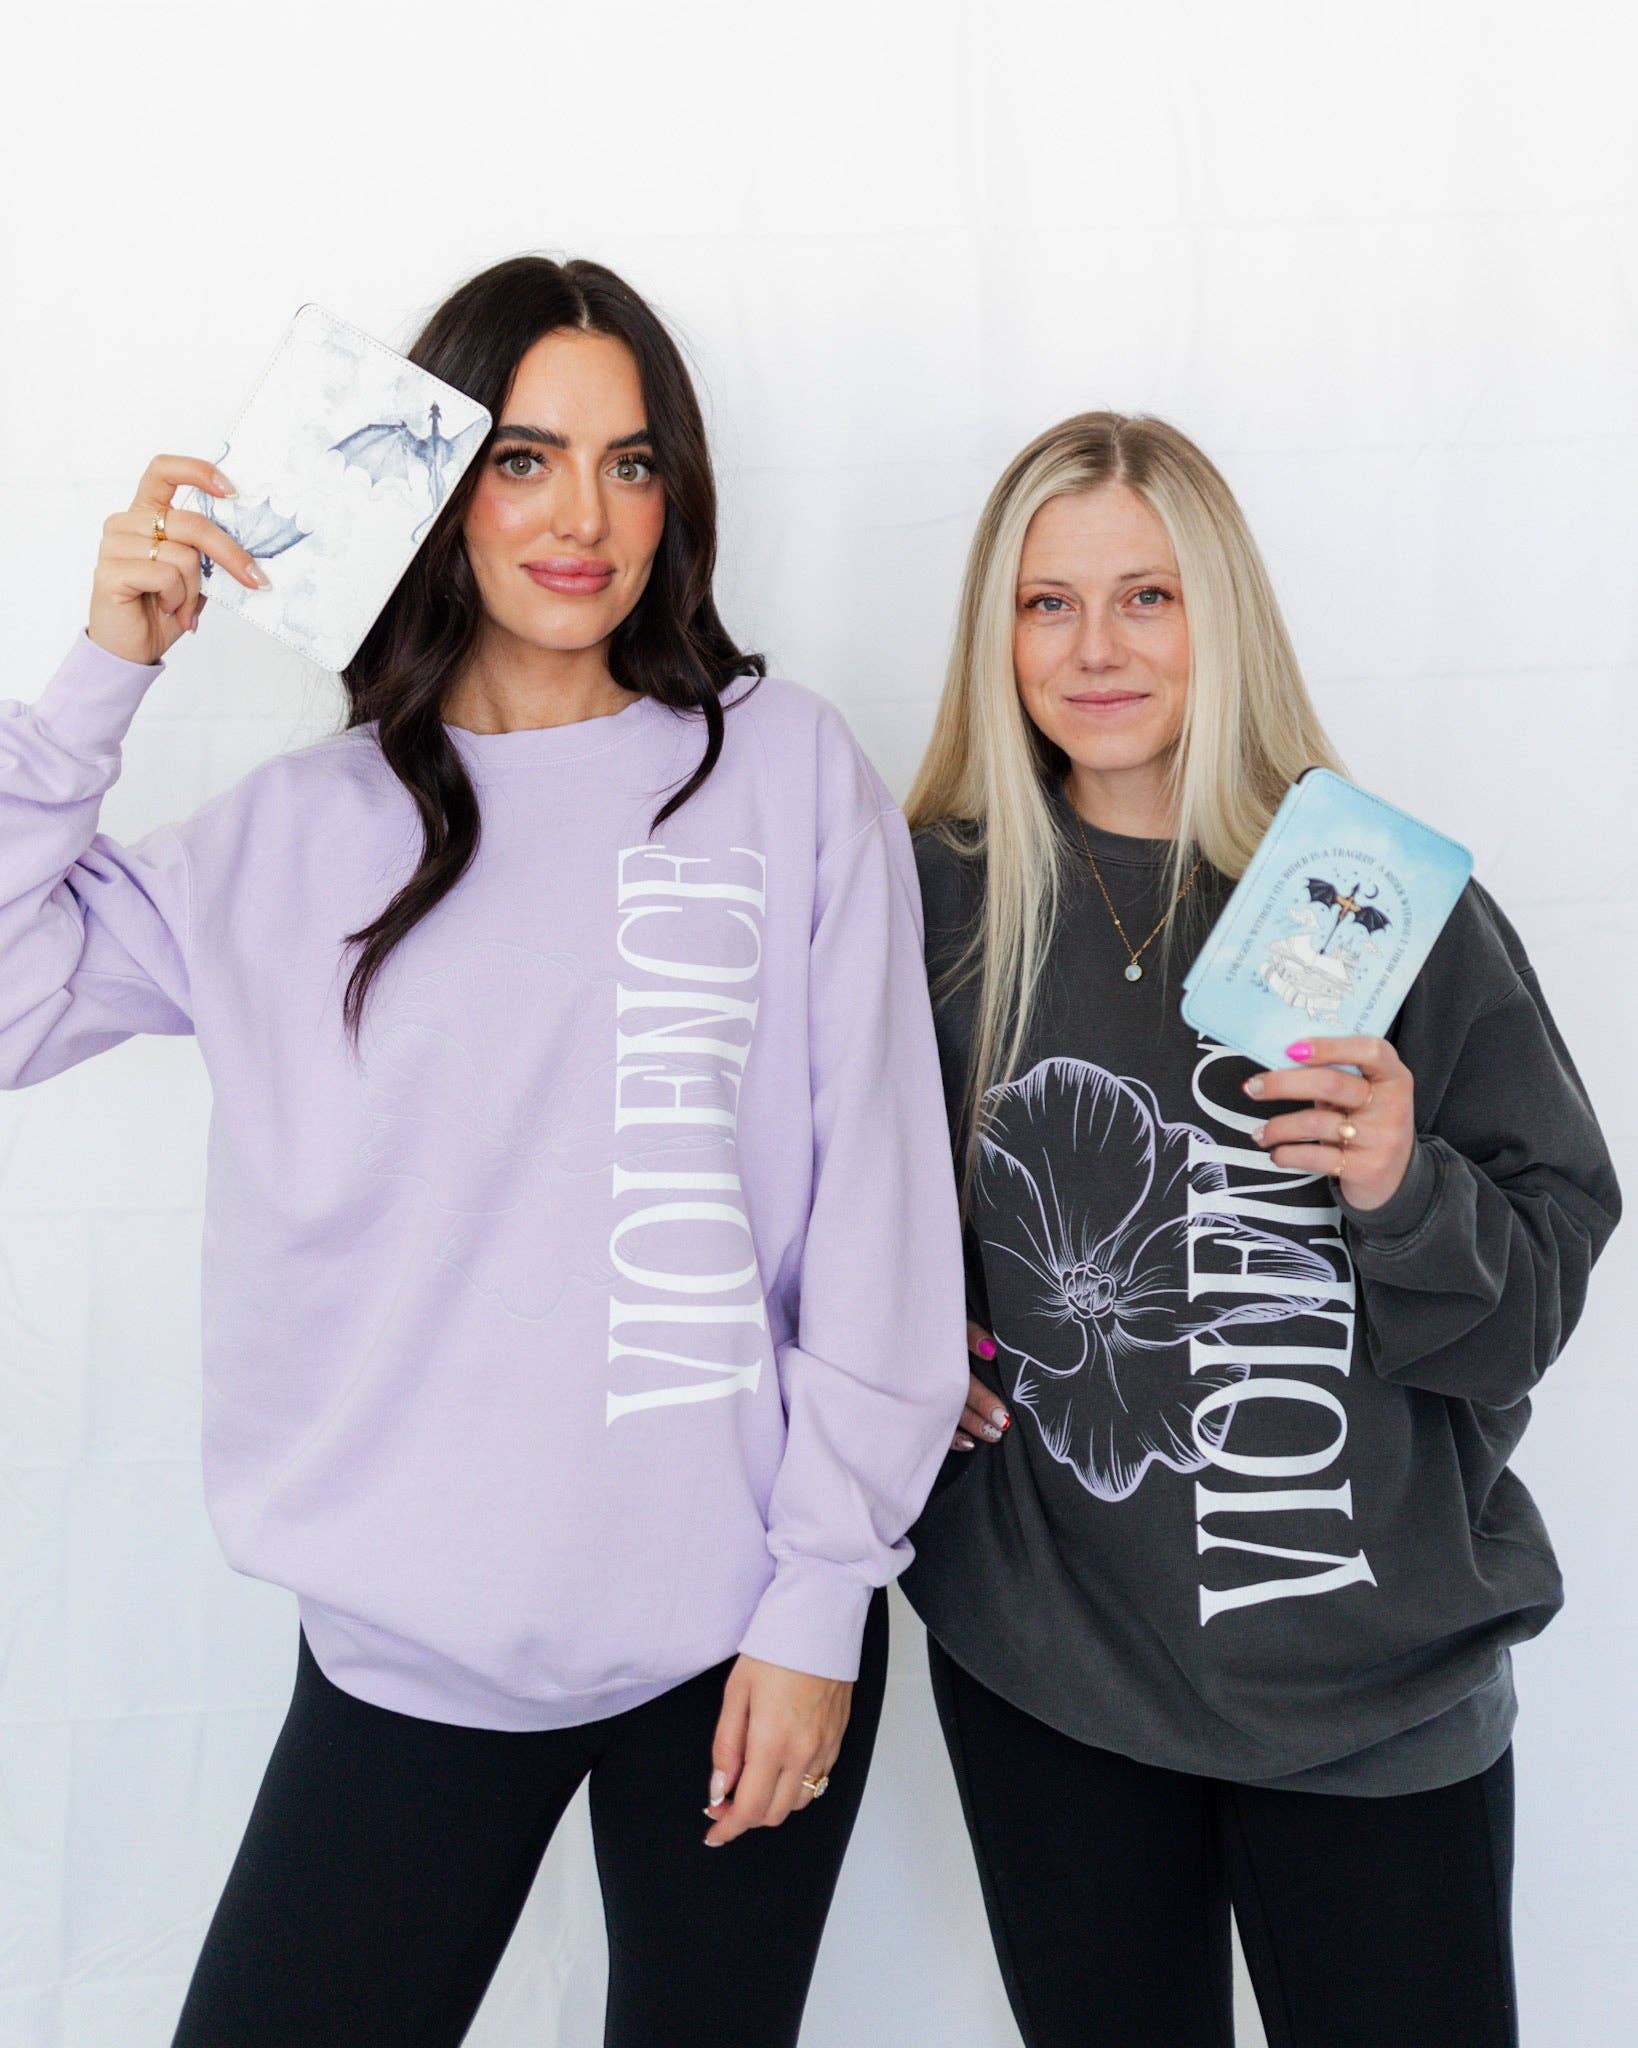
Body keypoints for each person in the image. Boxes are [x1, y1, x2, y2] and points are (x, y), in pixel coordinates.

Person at [0, 253, 967, 2048]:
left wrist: (822, 1599)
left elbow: (880, 1215)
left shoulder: (781, 771)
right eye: (523, 459)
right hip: (409, 1654)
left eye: (629, 461)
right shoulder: (295, 835)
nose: (582, 517)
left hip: (738, 1638)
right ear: (437, 489)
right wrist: (96, 682)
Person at [898, 411, 1621, 2048]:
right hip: (1057, 1671)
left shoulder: (1374, 897)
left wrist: (1401, 1184)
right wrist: (892, 1333)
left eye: (1145, 597)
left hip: (1374, 1679)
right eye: (1045, 603)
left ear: (1219, 614)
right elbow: (809, 1189)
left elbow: (1531, 1301)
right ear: (995, 634)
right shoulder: (931, 902)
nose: (1094, 650)